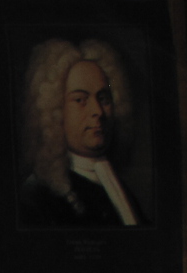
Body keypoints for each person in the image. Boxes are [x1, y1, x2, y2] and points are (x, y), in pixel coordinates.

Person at [17, 37, 146, 227]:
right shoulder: (36, 196)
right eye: (80, 100)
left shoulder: (116, 185)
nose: (98, 111)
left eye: (103, 98)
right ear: (55, 111)